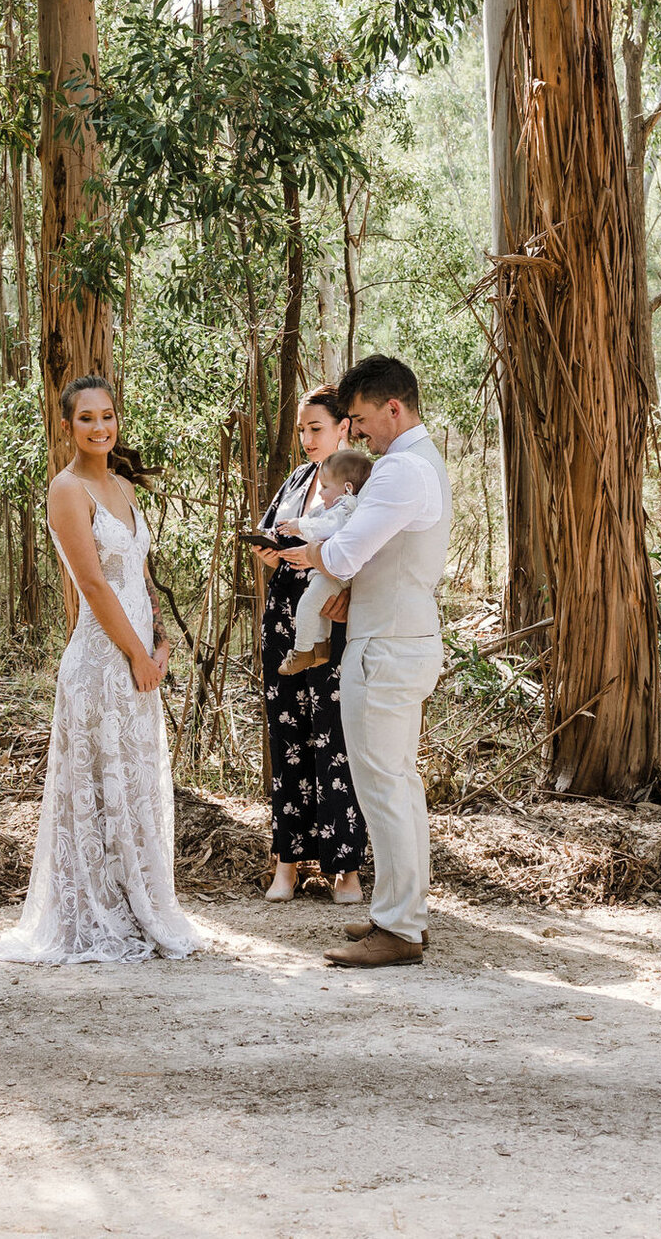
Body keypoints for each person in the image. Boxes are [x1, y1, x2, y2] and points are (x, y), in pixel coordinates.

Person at [0, 377, 202, 964]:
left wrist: (158, 641)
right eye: (86, 419)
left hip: (137, 656)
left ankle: (139, 903)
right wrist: (133, 652)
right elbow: (92, 582)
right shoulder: (67, 489)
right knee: (95, 788)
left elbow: (141, 573)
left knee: (131, 785)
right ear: (67, 426)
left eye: (107, 416)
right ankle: (92, 908)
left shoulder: (124, 487)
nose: (100, 427)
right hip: (99, 662)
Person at [278, 355, 449, 969]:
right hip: (398, 635)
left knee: (382, 785)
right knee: (397, 782)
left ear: (393, 409)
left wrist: (309, 551)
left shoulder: (401, 470)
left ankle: (399, 926)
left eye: (360, 419)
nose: (356, 433)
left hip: (387, 645)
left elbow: (346, 552)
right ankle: (402, 915)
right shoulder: (421, 463)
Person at [248, 388, 370, 906]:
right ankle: (288, 864)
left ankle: (345, 870)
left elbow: (375, 550)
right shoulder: (298, 480)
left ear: (344, 426)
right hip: (283, 622)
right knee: (287, 739)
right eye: (301, 429)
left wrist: (346, 589)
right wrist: (272, 550)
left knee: (335, 743)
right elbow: (268, 538)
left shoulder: (361, 480)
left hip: (333, 624)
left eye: (315, 428)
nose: (306, 439)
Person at [277, 447, 373, 675]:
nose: (321, 494)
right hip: (332, 573)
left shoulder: (347, 509)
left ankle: (302, 651)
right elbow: (318, 520)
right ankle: (319, 647)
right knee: (317, 606)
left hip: (337, 575)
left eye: (326, 488)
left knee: (308, 604)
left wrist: (299, 526)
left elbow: (327, 527)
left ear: (347, 488)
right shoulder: (339, 506)